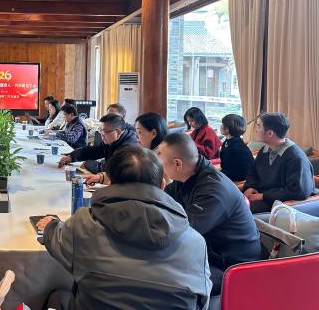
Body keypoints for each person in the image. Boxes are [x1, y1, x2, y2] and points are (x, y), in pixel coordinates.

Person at [38, 146, 211, 310]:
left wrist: (50, 226)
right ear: (162, 185)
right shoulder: (196, 242)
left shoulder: (84, 223)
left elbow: (57, 240)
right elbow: (202, 301)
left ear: (111, 183)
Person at [158, 133, 261, 295]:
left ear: (177, 164)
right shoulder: (186, 178)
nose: (159, 165)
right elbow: (163, 206)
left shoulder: (213, 190)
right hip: (211, 252)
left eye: (160, 159)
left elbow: (184, 232)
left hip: (233, 265)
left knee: (167, 280)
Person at [242, 113, 314, 214]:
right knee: (232, 201)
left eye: (258, 126)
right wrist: (250, 187)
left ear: (270, 133)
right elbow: (253, 173)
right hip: (263, 196)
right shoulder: (264, 150)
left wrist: (263, 196)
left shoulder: (295, 157)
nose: (256, 130)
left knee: (240, 211)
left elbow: (298, 191)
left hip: (282, 204)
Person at [58, 114, 138, 175]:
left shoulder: (128, 148)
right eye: (100, 131)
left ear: (118, 132)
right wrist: (71, 156)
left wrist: (87, 163)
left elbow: (108, 169)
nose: (101, 135)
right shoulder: (112, 139)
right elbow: (94, 150)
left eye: (104, 131)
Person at [219, 114, 254, 182]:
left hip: (238, 180)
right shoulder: (229, 141)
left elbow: (242, 173)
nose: (220, 126)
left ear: (228, 129)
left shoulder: (236, 147)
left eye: (222, 124)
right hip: (229, 175)